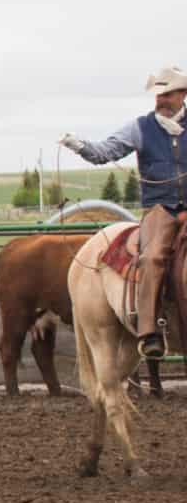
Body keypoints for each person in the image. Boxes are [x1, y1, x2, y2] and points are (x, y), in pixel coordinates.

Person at [61, 65, 187, 355]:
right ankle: (149, 331)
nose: (160, 100)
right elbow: (106, 152)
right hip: (161, 209)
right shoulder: (140, 128)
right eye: (158, 94)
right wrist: (79, 145)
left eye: (166, 94)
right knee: (153, 257)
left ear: (182, 94)